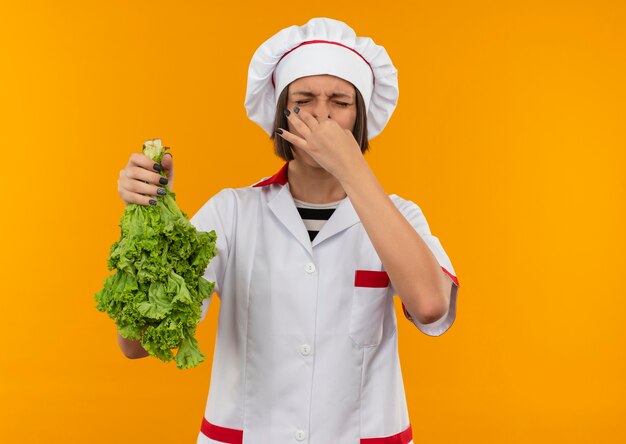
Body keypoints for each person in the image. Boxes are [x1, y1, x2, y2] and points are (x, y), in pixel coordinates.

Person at [116, 17, 459, 444]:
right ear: (282, 115)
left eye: (340, 101)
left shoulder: (400, 216)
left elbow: (431, 306)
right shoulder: (231, 213)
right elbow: (137, 344)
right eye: (304, 100)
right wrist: (146, 220)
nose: (321, 114)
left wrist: (352, 168)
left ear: (360, 118)